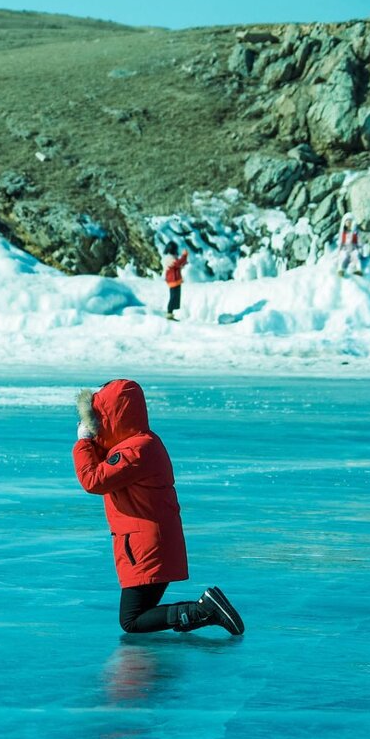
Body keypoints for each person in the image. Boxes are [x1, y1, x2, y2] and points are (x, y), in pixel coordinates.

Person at [72, 379, 244, 636]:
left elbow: (93, 480)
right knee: (138, 615)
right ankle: (205, 612)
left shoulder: (136, 450)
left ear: (112, 416)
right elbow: (106, 466)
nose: (95, 426)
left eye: (98, 419)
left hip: (146, 545)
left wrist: (84, 443)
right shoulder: (139, 444)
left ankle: (205, 609)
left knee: (132, 620)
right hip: (148, 541)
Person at [162, 240, 188, 320]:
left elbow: (178, 265)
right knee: (173, 297)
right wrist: (184, 256)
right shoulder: (169, 258)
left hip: (176, 280)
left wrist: (183, 261)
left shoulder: (172, 257)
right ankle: (169, 313)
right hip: (173, 280)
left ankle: (171, 313)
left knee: (175, 297)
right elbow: (177, 264)